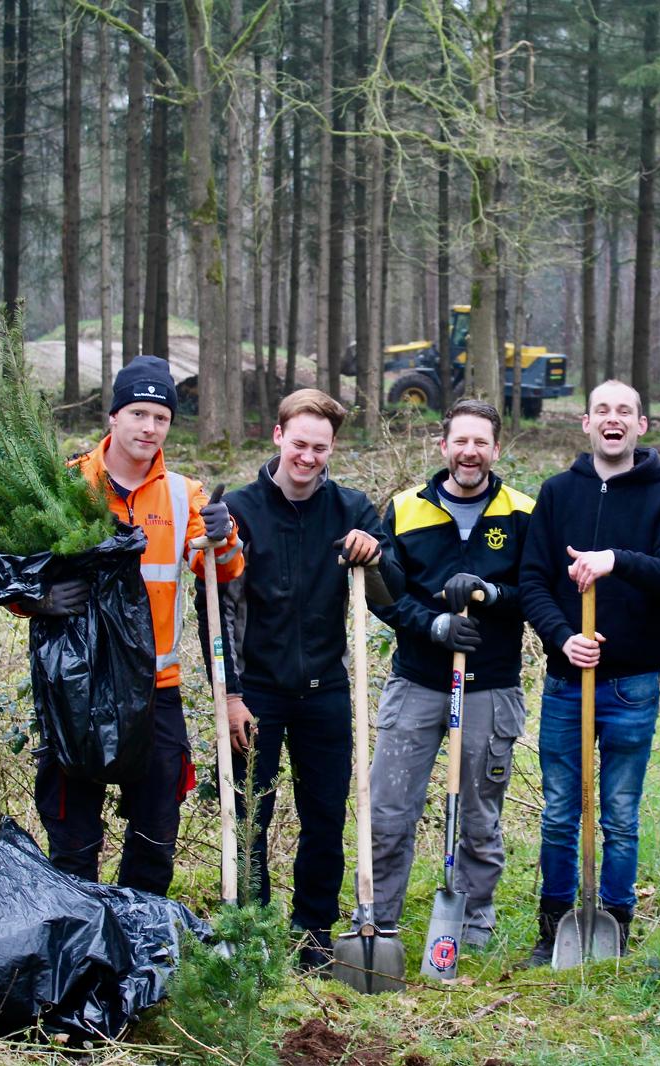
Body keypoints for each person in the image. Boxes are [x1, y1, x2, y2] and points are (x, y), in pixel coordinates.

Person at [28, 355, 244, 895]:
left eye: (161, 417)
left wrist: (225, 535)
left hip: (155, 687)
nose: (150, 427)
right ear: (113, 416)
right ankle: (76, 928)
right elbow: (15, 570)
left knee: (155, 831)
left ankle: (138, 927)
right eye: (138, 413)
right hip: (78, 686)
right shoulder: (66, 484)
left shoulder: (184, 494)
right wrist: (40, 599)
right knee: (73, 835)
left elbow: (220, 569)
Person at [518, 379, 660, 964]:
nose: (612, 419)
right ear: (587, 423)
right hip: (567, 683)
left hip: (632, 686)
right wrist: (562, 637)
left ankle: (614, 925)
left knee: (620, 814)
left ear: (641, 425)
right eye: (602, 410)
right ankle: (553, 929)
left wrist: (616, 560)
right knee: (559, 811)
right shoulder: (557, 493)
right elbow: (532, 580)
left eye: (624, 410)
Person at [215, 388, 394, 971]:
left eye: (320, 448)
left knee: (325, 816)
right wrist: (231, 695)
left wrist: (375, 553)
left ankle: (314, 930)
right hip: (257, 693)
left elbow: (389, 593)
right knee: (250, 815)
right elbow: (218, 609)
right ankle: (255, 928)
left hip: (326, 690)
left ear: (332, 448)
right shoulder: (240, 510)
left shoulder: (351, 509)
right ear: (278, 437)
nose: (307, 457)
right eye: (299, 444)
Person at [365, 399, 534, 948]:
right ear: (443, 446)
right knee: (388, 812)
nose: (470, 452)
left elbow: (538, 591)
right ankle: (378, 920)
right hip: (417, 682)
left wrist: (490, 592)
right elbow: (384, 595)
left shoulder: (522, 512)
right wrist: (435, 625)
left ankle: (472, 923)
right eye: (460, 440)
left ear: (496, 449)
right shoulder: (404, 509)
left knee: (480, 817)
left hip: (490, 686)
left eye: (481, 442)